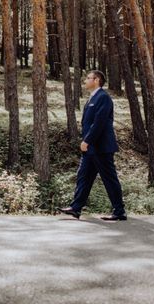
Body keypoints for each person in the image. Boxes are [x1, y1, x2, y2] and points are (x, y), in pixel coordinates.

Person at [58, 70, 127, 221]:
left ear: (96, 80)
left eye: (88, 78)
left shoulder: (103, 97)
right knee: (84, 176)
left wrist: (87, 140)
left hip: (101, 147)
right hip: (91, 149)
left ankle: (119, 211)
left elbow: (99, 123)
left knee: (109, 178)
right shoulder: (92, 98)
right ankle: (76, 208)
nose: (85, 81)